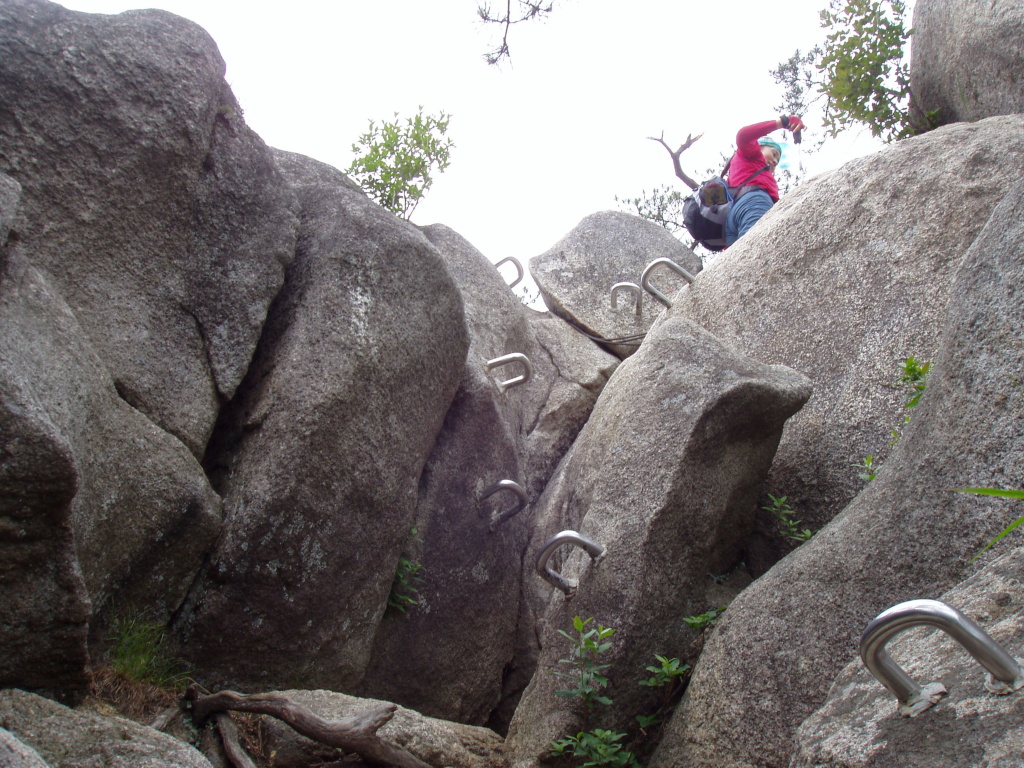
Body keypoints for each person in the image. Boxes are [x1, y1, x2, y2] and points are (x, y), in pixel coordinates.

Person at [724, 116, 804, 246]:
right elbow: (743, 135)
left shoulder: (744, 165)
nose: (775, 161)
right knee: (757, 248)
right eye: (773, 154)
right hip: (754, 204)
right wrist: (782, 122)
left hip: (732, 218)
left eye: (777, 161)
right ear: (759, 146)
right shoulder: (753, 154)